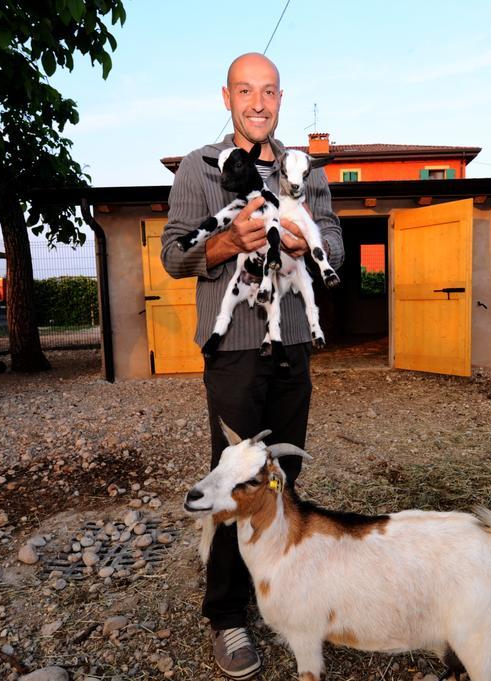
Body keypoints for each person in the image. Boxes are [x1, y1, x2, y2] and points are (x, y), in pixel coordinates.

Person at [159, 53, 343, 679]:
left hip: (292, 341)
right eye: (246, 91)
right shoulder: (199, 168)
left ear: (280, 99)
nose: (257, 102)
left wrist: (308, 246)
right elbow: (172, 254)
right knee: (238, 480)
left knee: (284, 474)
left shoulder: (305, 169)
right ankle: (227, 614)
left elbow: (335, 243)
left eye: (268, 91)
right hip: (235, 345)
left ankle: (282, 589)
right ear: (227, 97)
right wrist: (226, 242)